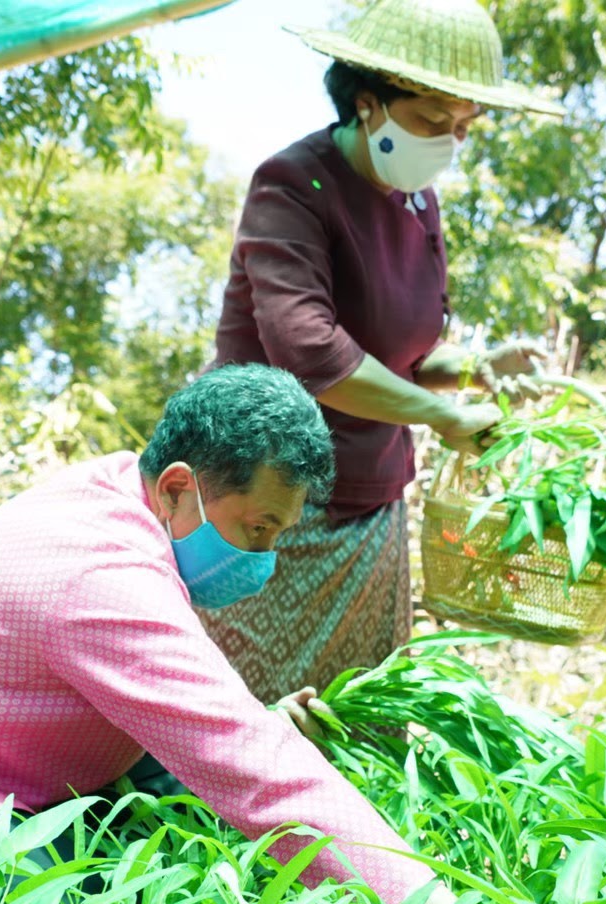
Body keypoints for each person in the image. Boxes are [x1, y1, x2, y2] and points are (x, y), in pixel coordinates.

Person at [0, 364, 451, 904]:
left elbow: (209, 731)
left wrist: (257, 726)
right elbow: (257, 771)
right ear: (178, 487)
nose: (263, 559)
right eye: (257, 529)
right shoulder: (101, 574)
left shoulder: (117, 491)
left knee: (171, 822)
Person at [202, 0, 565, 701]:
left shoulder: (418, 202)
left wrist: (478, 370)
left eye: (464, 126)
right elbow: (309, 350)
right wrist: (442, 416)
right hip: (268, 494)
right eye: (431, 120)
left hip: (368, 501)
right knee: (251, 712)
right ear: (367, 103)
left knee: (357, 710)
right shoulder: (294, 184)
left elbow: (402, 354)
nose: (449, 142)